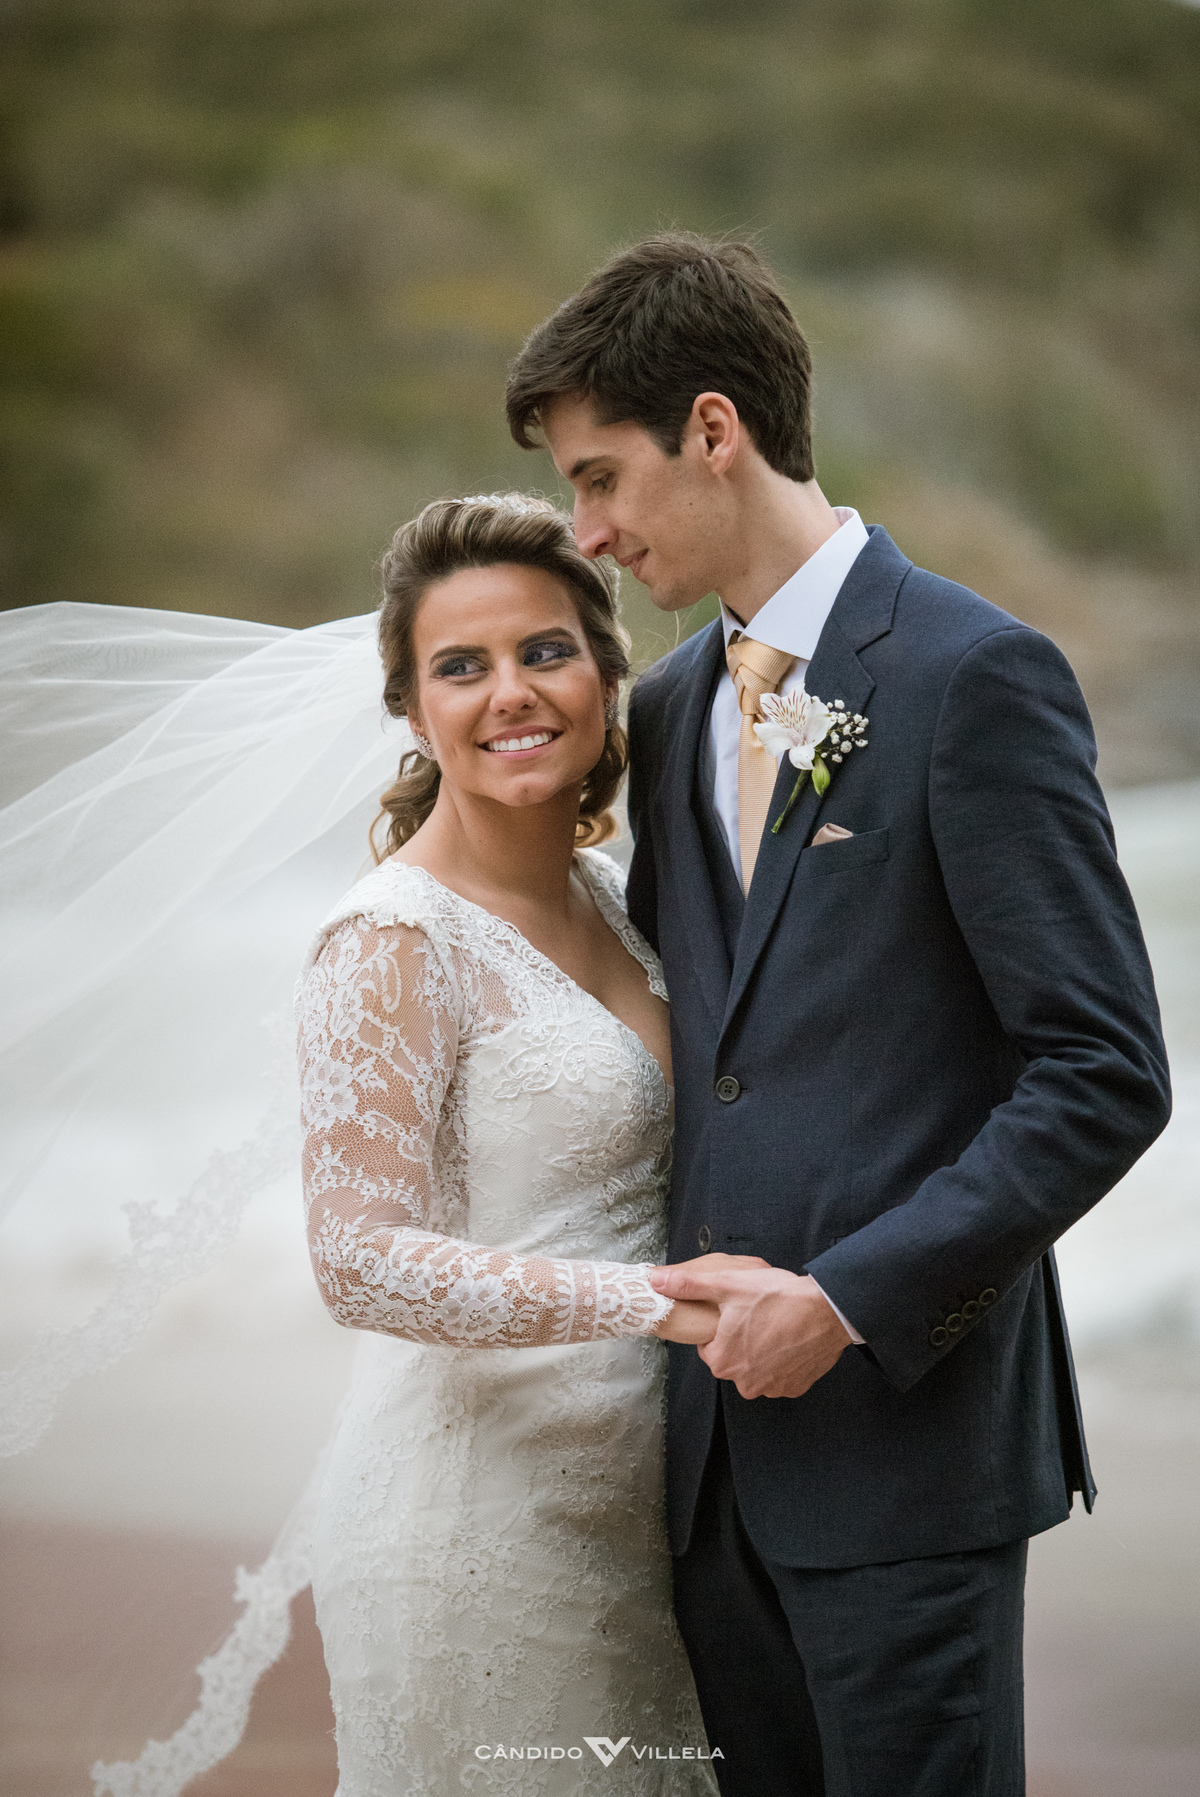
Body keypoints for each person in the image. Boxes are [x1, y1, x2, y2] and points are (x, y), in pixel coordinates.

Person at [504, 234, 1171, 1796]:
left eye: (603, 479)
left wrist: (855, 1297)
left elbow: (1103, 1069)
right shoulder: (664, 711)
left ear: (716, 431)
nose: (588, 535)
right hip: (705, 1475)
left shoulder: (975, 675)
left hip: (906, 1454)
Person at [296, 493, 722, 1792]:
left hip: (642, 1530)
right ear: (412, 708)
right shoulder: (393, 938)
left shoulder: (621, 895)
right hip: (472, 1528)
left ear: (604, 668)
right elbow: (357, 1261)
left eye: (543, 649)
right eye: (460, 666)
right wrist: (662, 1304)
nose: (510, 693)